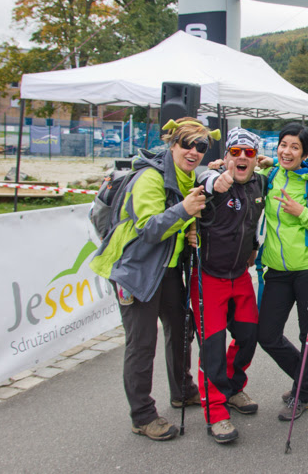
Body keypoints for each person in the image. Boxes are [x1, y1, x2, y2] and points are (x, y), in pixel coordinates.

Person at [90, 118, 214, 440]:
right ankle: (142, 415)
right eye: (187, 143)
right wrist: (185, 212)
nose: (193, 151)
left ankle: (182, 389)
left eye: (200, 146)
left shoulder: (187, 177)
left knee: (181, 328)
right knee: (142, 342)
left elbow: (175, 223)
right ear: (172, 143)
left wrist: (188, 232)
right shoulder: (150, 177)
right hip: (136, 270)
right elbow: (148, 229)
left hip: (167, 268)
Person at [186, 127, 265, 443]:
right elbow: (202, 181)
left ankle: (233, 387)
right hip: (209, 278)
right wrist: (210, 178)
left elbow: (252, 219)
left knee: (248, 336)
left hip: (240, 276)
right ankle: (215, 412)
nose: (242, 158)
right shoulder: (215, 181)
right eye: (236, 152)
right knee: (212, 348)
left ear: (256, 159)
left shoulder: (260, 182)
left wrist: (254, 248)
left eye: (249, 153)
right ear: (227, 156)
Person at [256, 122, 308, 421]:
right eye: (283, 145)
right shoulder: (272, 174)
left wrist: (300, 212)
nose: (286, 151)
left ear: (305, 152)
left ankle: (301, 393)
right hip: (276, 268)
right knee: (266, 335)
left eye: (294, 147)